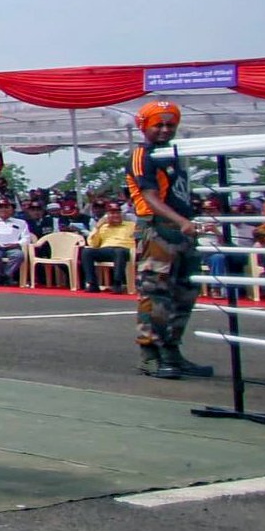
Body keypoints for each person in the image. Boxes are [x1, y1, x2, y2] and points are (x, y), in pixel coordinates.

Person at [127, 102, 212, 380]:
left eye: (170, 125)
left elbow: (181, 194)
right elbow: (150, 197)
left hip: (184, 232)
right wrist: (182, 222)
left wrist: (194, 221)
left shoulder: (175, 155)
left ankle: (172, 351)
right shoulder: (142, 154)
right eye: (158, 125)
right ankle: (150, 354)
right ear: (145, 127)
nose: (165, 130)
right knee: (155, 294)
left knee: (184, 294)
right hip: (157, 231)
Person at [80, 202, 135, 293]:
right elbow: (93, 244)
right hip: (106, 249)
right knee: (87, 251)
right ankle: (92, 284)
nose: (115, 216)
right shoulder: (103, 226)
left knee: (119, 251)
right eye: (112, 213)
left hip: (125, 249)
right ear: (107, 215)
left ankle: (117, 284)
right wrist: (97, 227)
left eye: (118, 213)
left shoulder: (131, 225)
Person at [0, 198, 31, 286]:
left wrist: (17, 244)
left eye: (6, 207)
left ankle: (5, 276)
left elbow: (26, 238)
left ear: (12, 209)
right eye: (0, 207)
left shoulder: (21, 223)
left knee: (19, 255)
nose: (3, 209)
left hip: (13, 247)